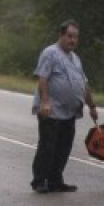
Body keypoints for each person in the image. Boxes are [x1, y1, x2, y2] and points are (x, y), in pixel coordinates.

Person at [31, 19, 98, 193]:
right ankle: (39, 181)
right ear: (61, 35)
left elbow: (84, 85)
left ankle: (55, 180)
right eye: (69, 36)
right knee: (48, 146)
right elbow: (43, 78)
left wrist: (91, 106)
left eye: (75, 37)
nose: (72, 40)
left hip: (69, 112)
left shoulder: (75, 59)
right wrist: (45, 101)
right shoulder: (50, 53)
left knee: (63, 147)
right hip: (51, 110)